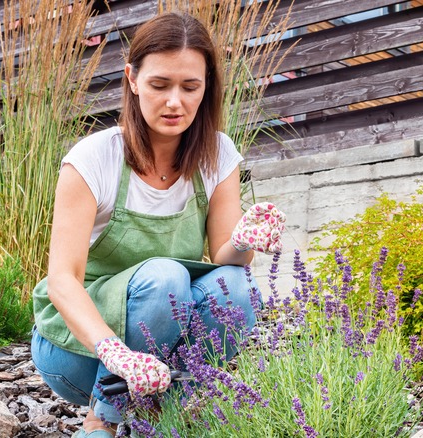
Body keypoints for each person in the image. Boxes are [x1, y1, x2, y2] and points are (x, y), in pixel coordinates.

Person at [30, 12, 285, 438]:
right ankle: (102, 419)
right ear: (132, 79)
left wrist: (243, 238)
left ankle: (160, 416)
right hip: (78, 353)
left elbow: (226, 257)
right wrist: (115, 353)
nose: (175, 103)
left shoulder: (217, 154)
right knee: (165, 276)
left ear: (208, 85)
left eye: (190, 87)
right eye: (159, 85)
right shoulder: (94, 159)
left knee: (237, 288)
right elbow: (62, 281)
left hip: (158, 345)